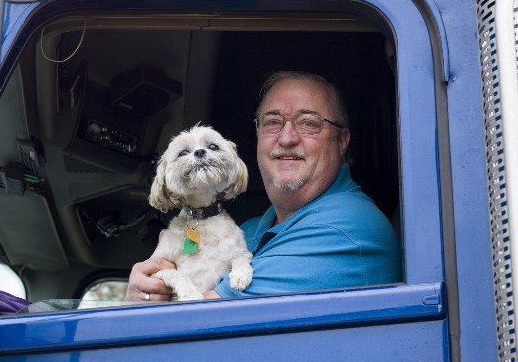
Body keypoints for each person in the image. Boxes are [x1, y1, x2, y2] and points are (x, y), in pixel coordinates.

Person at [125, 71, 401, 301]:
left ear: (341, 141)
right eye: (272, 122)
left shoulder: (346, 228)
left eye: (308, 123)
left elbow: (199, 317)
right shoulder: (250, 229)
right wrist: (144, 292)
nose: (287, 138)